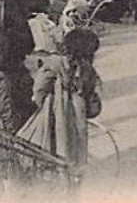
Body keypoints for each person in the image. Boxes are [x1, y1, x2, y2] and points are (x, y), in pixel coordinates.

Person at [17, 27, 103, 171]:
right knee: (74, 142)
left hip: (55, 109)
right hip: (76, 112)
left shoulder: (55, 63)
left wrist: (43, 104)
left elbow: (39, 88)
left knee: (53, 141)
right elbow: (91, 92)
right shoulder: (86, 69)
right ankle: (72, 172)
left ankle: (55, 171)